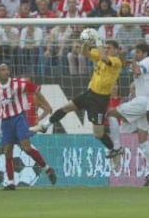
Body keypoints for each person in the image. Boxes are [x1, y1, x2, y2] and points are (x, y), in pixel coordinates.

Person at [30, 32, 123, 162]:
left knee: (98, 134)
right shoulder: (101, 55)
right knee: (66, 107)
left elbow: (103, 58)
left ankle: (115, 149)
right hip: (90, 94)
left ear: (116, 50)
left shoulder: (116, 61)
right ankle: (45, 125)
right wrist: (86, 41)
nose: (106, 49)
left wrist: (98, 40)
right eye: (105, 47)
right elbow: (84, 52)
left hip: (100, 101)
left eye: (109, 48)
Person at [106, 42, 149, 187]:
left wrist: (133, 61)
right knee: (142, 140)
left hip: (142, 101)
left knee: (111, 113)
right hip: (146, 104)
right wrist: (122, 56)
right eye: (135, 52)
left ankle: (116, 147)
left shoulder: (147, 62)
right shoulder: (141, 62)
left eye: (138, 52)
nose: (136, 55)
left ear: (145, 53)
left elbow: (136, 71)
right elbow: (123, 66)